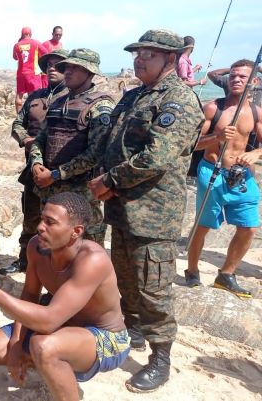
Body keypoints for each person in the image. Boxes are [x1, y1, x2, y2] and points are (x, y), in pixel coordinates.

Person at [88, 29, 204, 392]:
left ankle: (161, 357)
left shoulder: (179, 100)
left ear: (171, 60)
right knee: (125, 277)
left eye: (149, 55)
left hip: (153, 215)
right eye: (138, 54)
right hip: (123, 209)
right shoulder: (135, 95)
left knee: (154, 289)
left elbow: (158, 156)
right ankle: (133, 329)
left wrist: (110, 180)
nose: (140, 60)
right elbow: (112, 142)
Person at [0, 192, 128, 401]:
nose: (40, 227)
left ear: (75, 231)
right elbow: (30, 295)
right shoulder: (37, 246)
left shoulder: (92, 260)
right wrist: (16, 341)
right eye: (42, 218)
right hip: (61, 325)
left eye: (50, 222)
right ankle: (54, 370)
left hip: (106, 338)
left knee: (43, 347)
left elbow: (49, 320)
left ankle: (59, 376)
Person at [185, 59, 262, 298]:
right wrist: (216, 137)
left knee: (249, 228)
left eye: (243, 77)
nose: (237, 80)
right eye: (234, 76)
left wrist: (255, 153)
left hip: (241, 176)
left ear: (254, 83)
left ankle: (226, 274)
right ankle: (192, 269)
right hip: (213, 172)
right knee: (203, 225)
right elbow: (190, 145)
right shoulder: (212, 108)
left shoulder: (257, 112)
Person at [28, 48, 115, 246]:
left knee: (84, 249)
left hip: (80, 195)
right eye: (66, 67)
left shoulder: (100, 107)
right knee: (50, 246)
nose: (67, 71)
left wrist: (56, 175)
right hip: (49, 191)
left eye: (75, 67)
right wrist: (36, 164)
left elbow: (95, 153)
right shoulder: (58, 103)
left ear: (89, 72)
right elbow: (40, 139)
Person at [2, 49, 68, 274]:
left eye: (58, 65)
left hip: (59, 172)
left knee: (56, 223)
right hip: (32, 168)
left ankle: (54, 268)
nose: (52, 68)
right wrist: (26, 140)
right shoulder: (35, 96)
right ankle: (25, 260)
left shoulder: (71, 98)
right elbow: (17, 124)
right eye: (48, 64)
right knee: (30, 217)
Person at [13, 27, 48, 113]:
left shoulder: (17, 45)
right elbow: (46, 53)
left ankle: (19, 116)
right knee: (34, 96)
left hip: (21, 74)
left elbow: (14, 57)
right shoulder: (35, 43)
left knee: (19, 96)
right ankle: (32, 116)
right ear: (30, 34)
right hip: (33, 74)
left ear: (22, 34)